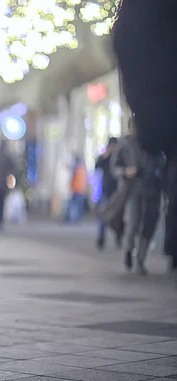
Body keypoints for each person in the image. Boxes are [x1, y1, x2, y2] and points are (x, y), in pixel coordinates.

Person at [112, 1, 177, 272]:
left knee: (147, 222)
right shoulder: (130, 144)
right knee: (137, 221)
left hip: (152, 186)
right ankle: (134, 255)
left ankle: (140, 256)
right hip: (140, 188)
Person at [112, 118, 164, 275]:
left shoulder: (153, 145)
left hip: (152, 190)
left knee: (149, 224)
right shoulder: (125, 144)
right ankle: (128, 249)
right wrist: (125, 172)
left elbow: (161, 163)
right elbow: (115, 167)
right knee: (133, 223)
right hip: (133, 188)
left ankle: (140, 260)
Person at [95, 137, 120, 249]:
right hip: (106, 190)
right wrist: (105, 156)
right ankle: (101, 238)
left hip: (117, 191)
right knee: (104, 215)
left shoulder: (119, 157)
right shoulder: (105, 157)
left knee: (118, 216)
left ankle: (118, 237)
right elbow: (97, 166)